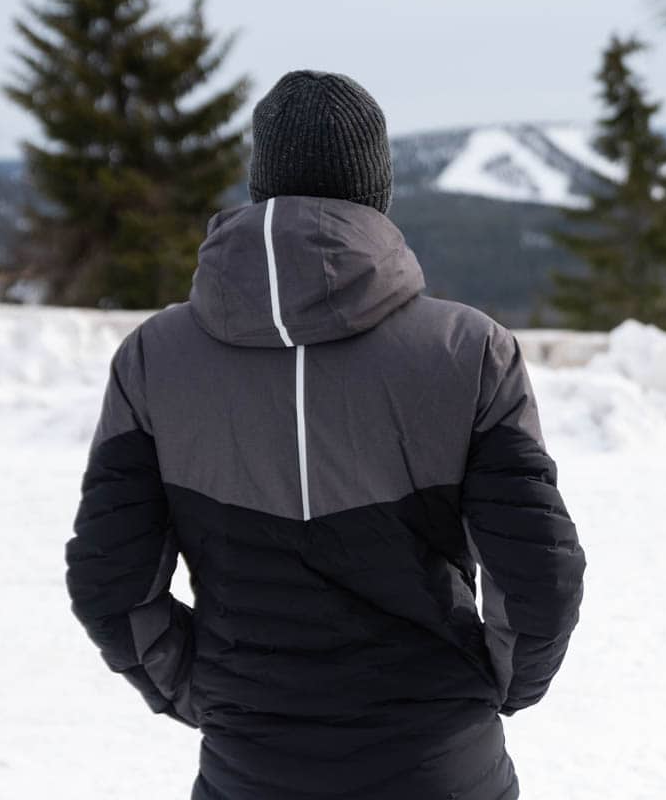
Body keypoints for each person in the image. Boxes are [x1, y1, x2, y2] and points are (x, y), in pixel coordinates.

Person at [64, 70, 586, 800]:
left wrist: (204, 691)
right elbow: (541, 576)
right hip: (440, 763)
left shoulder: (155, 358)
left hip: (250, 766)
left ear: (260, 183)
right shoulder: (468, 350)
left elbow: (108, 584)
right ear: (377, 188)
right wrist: (491, 685)